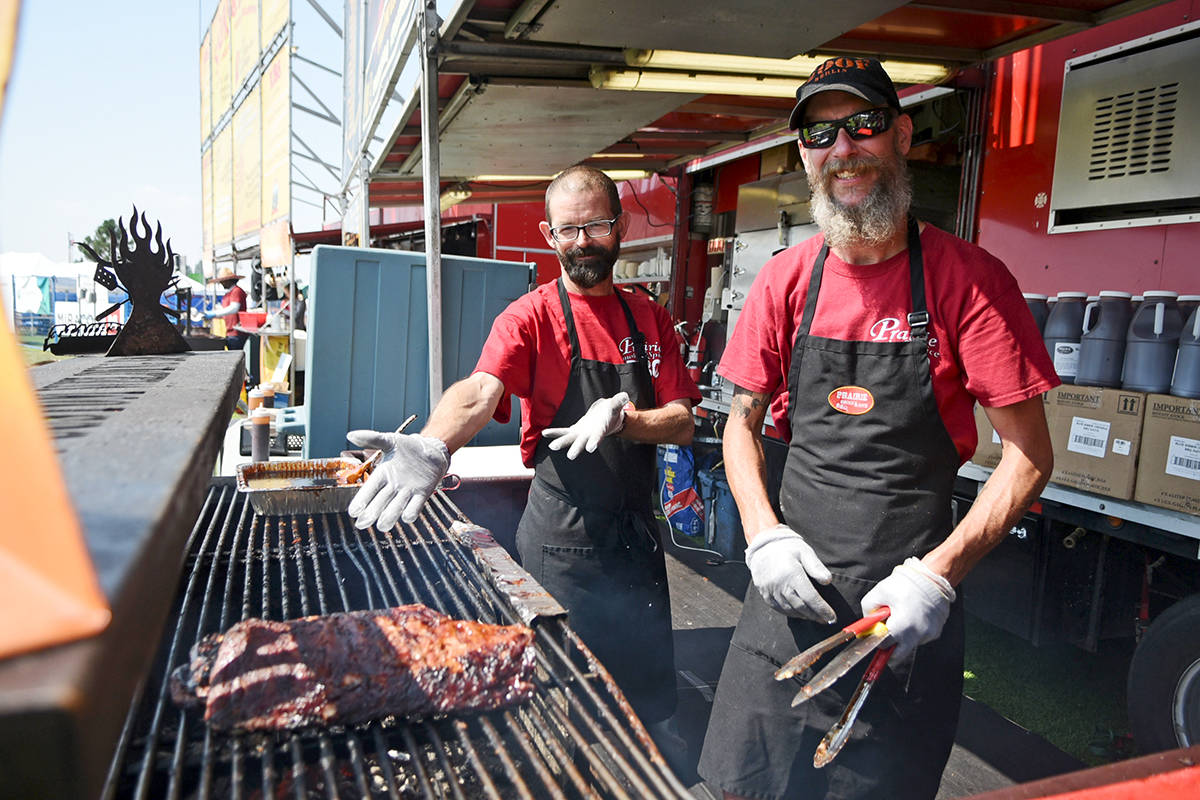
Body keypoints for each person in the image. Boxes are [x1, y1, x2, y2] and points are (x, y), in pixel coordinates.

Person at [696, 57, 1058, 800]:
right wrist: (763, 536)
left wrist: (938, 576)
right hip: (784, 604)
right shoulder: (785, 279)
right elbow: (740, 420)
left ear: (900, 134)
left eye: (862, 125)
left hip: (903, 618)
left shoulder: (970, 280)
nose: (843, 149)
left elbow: (1027, 457)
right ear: (805, 155)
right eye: (820, 134)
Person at [346, 165, 701, 735]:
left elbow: (683, 421)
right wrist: (434, 443)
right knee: (564, 709)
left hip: (637, 543)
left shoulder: (650, 316)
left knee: (640, 712)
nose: (582, 241)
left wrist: (623, 420)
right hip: (564, 546)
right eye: (568, 229)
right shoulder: (531, 315)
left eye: (597, 225)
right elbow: (482, 390)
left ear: (623, 225)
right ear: (547, 234)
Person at [204, 267, 249, 349]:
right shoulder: (228, 294)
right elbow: (226, 311)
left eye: (222, 281)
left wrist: (215, 314)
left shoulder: (237, 291)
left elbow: (234, 308)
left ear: (228, 281)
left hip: (237, 333)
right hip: (230, 332)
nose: (221, 283)